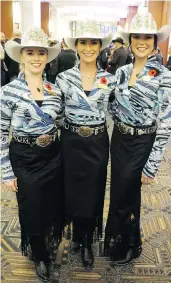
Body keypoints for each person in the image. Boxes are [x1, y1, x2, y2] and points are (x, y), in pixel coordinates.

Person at [104, 6, 171, 265]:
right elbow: (112, 105)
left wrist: (152, 165)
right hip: (119, 139)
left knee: (127, 193)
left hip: (143, 142)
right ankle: (125, 240)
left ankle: (128, 244)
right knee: (122, 192)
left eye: (147, 38)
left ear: (154, 43)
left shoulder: (164, 77)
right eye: (137, 37)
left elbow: (165, 124)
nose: (141, 42)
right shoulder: (121, 72)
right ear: (130, 41)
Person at [1, 27, 64, 282]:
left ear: (47, 57)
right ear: (22, 56)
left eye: (41, 53)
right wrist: (6, 171)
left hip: (52, 155)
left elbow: (58, 122)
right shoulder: (8, 92)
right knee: (31, 208)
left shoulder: (54, 90)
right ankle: (38, 253)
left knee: (51, 205)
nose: (36, 58)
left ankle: (47, 244)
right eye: (31, 53)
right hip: (24, 158)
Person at [55, 22, 115, 269]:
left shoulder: (109, 79)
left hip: (98, 143)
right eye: (83, 42)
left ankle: (88, 241)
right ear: (76, 46)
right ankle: (77, 236)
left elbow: (115, 110)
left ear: (100, 47)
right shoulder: (63, 78)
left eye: (93, 42)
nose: (88, 47)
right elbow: (56, 112)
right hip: (70, 142)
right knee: (71, 190)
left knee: (93, 192)